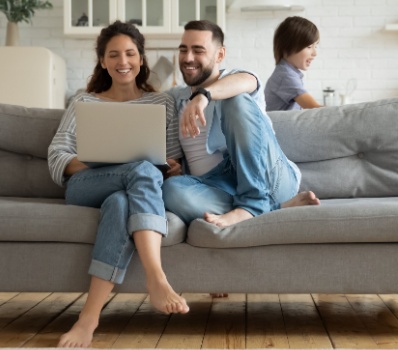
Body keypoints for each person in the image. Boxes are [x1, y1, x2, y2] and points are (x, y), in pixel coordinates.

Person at [47, 21, 189, 348]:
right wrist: (104, 159)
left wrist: (173, 167)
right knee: (140, 169)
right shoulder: (84, 103)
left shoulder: (162, 103)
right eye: (113, 55)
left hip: (132, 190)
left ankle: (88, 318)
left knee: (121, 203)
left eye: (130, 53)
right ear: (102, 61)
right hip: (86, 185)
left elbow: (171, 158)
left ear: (141, 58)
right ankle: (156, 278)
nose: (122, 61)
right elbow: (57, 156)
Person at [162, 20, 319, 229]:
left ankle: (253, 202)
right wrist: (173, 166)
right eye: (184, 50)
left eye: (198, 50)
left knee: (235, 98)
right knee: (170, 190)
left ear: (219, 55)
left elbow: (246, 81)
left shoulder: (237, 79)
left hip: (269, 177)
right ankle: (272, 207)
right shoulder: (175, 98)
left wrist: (204, 95)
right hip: (218, 185)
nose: (188, 58)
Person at [265, 16, 321, 111]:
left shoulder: (288, 73)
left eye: (316, 46)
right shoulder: (285, 76)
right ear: (287, 47)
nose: (315, 53)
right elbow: (316, 109)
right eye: (309, 46)